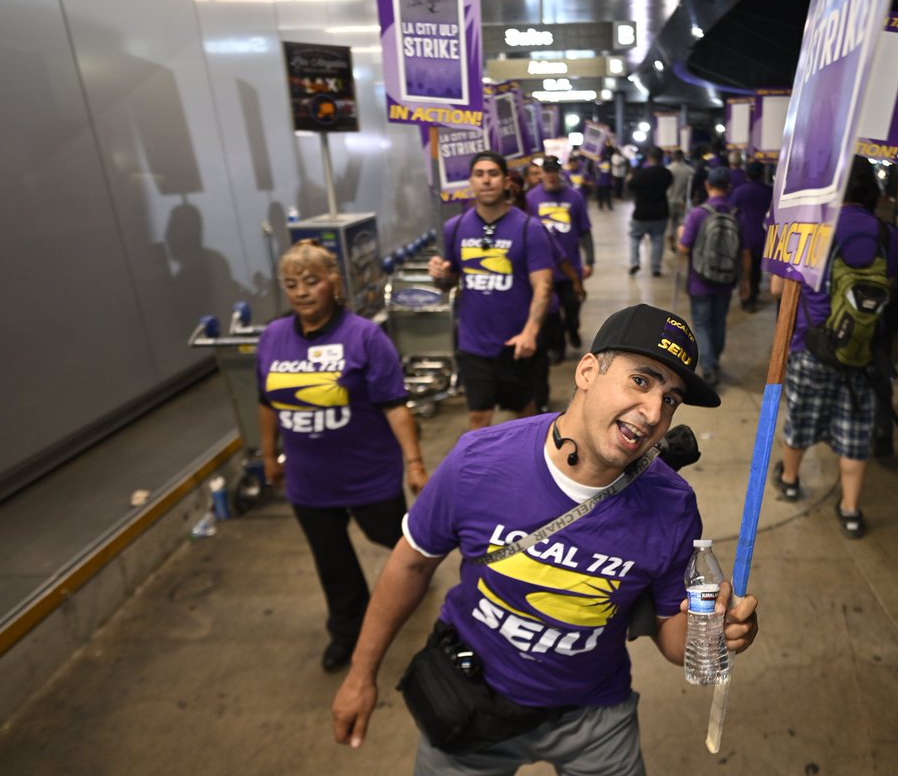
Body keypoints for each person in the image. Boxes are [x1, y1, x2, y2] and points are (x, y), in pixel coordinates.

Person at [331, 303, 759, 774]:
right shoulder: (480, 461)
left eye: (671, 399)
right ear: (587, 371)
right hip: (468, 704)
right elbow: (411, 563)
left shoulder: (673, 507)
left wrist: (714, 633)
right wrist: (361, 675)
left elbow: (672, 638)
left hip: (594, 718)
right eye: (641, 380)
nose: (655, 412)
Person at [256, 240, 428, 673]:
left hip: (368, 473)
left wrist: (414, 464)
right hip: (309, 480)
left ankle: (416, 575)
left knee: (393, 538)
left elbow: (395, 405)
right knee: (332, 562)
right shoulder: (273, 338)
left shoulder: (365, 337)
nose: (301, 292)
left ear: (333, 282)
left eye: (311, 281)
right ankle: (347, 632)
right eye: (291, 284)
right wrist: (269, 455)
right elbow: (266, 402)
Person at [769, 156, 898, 539]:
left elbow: (777, 290)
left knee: (801, 419)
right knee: (855, 432)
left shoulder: (807, 232)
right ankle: (851, 510)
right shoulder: (894, 236)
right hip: (864, 354)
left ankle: (789, 480)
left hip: (810, 348)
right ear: (874, 191)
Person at [429, 151, 554, 430]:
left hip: (516, 344)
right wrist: (440, 276)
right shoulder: (454, 228)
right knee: (478, 417)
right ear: (471, 182)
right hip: (473, 343)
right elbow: (449, 282)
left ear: (506, 181)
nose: (486, 181)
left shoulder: (529, 229)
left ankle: (528, 457)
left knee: (524, 415)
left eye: (493, 174)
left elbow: (543, 286)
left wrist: (530, 332)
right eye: (479, 174)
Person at [676, 166, 737, 387]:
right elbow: (744, 251)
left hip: (699, 280)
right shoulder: (735, 213)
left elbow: (684, 248)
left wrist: (680, 234)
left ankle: (709, 367)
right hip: (726, 280)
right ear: (729, 188)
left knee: (701, 324)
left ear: (707, 185)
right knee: (719, 321)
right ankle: (715, 359)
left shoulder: (698, 213)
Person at [526, 155, 592, 359]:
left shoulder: (574, 196)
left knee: (572, 305)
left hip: (571, 265)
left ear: (559, 172)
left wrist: (590, 260)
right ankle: (558, 346)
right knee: (551, 312)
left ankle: (572, 328)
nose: (551, 175)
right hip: (543, 267)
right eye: (547, 171)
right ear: (542, 174)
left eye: (554, 171)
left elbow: (585, 230)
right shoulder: (531, 198)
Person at [729, 160, 774, 312]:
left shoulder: (740, 191)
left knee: (745, 270)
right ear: (762, 174)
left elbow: (731, 209)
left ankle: (747, 299)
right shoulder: (769, 191)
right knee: (757, 268)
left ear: (747, 174)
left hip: (745, 236)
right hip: (764, 236)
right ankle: (754, 293)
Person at [626, 147, 674, 277]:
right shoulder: (667, 174)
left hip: (642, 212)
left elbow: (630, 185)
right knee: (658, 239)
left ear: (649, 158)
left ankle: (635, 263)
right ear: (662, 158)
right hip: (661, 212)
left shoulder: (642, 173)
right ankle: (655, 268)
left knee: (635, 237)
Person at [666, 149, 694, 249]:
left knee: (670, 224)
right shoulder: (690, 170)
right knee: (682, 223)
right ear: (682, 157)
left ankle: (671, 243)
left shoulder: (668, 169)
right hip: (683, 202)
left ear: (672, 156)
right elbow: (691, 188)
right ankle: (682, 243)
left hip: (669, 200)